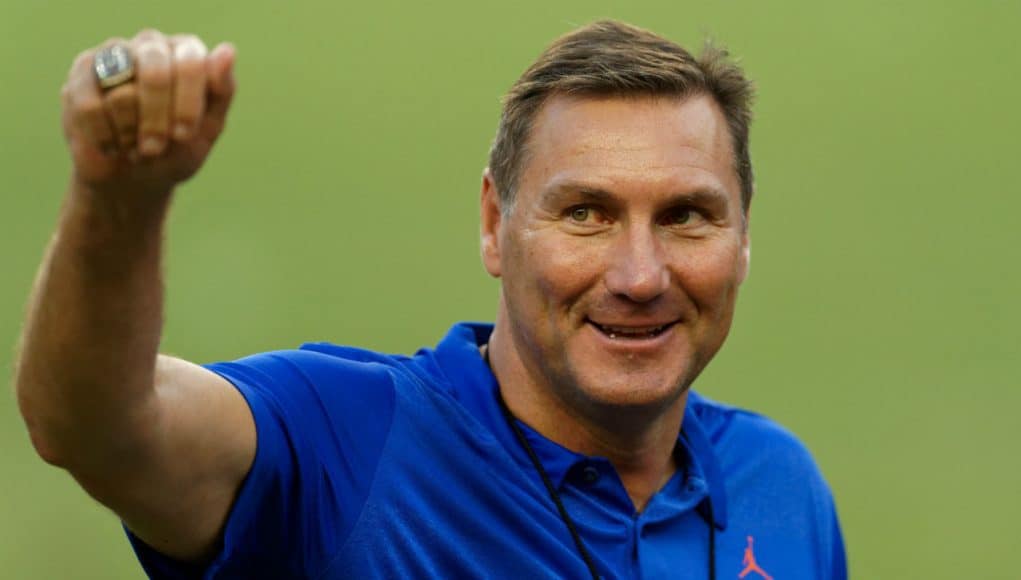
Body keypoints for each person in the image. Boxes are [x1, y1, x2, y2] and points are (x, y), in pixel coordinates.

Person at [15, 20, 847, 579]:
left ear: (741, 237)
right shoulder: (348, 441)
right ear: (495, 224)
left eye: (685, 216)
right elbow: (97, 425)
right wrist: (117, 197)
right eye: (584, 214)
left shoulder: (777, 485)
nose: (638, 276)